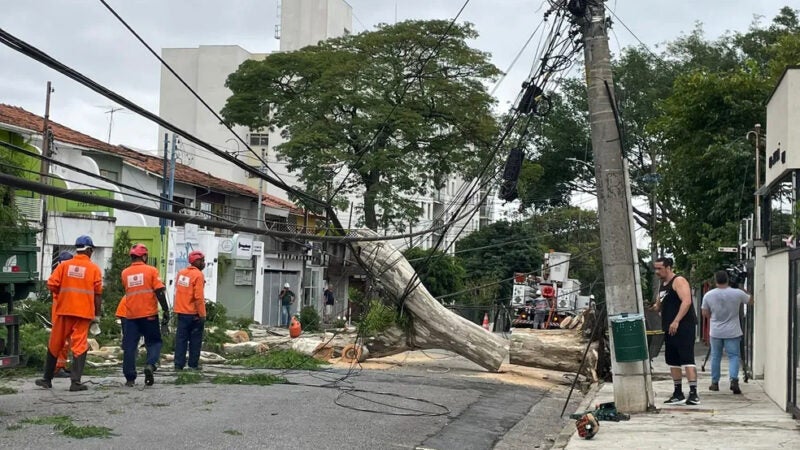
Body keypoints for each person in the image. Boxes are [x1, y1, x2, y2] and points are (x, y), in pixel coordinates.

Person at [35, 236, 102, 392]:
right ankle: (75, 382)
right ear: (89, 250)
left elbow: (51, 284)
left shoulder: (64, 266)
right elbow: (98, 295)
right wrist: (97, 316)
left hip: (64, 311)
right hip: (83, 313)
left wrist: (64, 296)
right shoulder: (94, 269)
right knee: (79, 345)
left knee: (55, 343)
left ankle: (46, 379)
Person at [121, 243, 169, 387]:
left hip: (131, 316)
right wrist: (166, 310)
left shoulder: (125, 273)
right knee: (154, 342)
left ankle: (130, 378)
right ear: (144, 256)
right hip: (149, 315)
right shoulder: (151, 271)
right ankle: (150, 364)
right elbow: (159, 291)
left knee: (130, 346)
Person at [653, 257, 700, 405]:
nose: (657, 271)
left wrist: (677, 320)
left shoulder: (679, 281)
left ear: (668, 267)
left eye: (660, 268)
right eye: (655, 268)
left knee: (687, 358)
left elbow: (686, 301)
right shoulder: (663, 285)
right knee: (673, 360)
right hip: (668, 326)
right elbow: (659, 304)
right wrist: (655, 307)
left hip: (683, 325)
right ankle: (678, 392)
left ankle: (693, 393)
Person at [701, 270, 751, 394]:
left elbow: (705, 313)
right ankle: (734, 379)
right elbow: (751, 301)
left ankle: (714, 382)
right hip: (733, 331)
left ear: (715, 280)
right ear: (728, 279)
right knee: (734, 356)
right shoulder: (737, 293)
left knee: (715, 356)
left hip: (716, 331)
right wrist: (742, 289)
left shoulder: (709, 295)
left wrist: (714, 317)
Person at [173, 251, 207, 371]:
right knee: (195, 340)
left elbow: (179, 290)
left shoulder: (181, 273)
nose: (204, 263)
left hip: (181, 312)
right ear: (196, 262)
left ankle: (178, 364)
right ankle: (193, 364)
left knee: (181, 340)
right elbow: (198, 297)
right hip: (193, 314)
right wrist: (202, 314)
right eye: (202, 261)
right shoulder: (198, 275)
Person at [52, 251, 74, 378]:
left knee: (66, 341)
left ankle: (60, 366)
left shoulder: (60, 273)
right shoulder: (62, 275)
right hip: (60, 312)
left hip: (62, 311)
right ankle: (57, 368)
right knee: (62, 342)